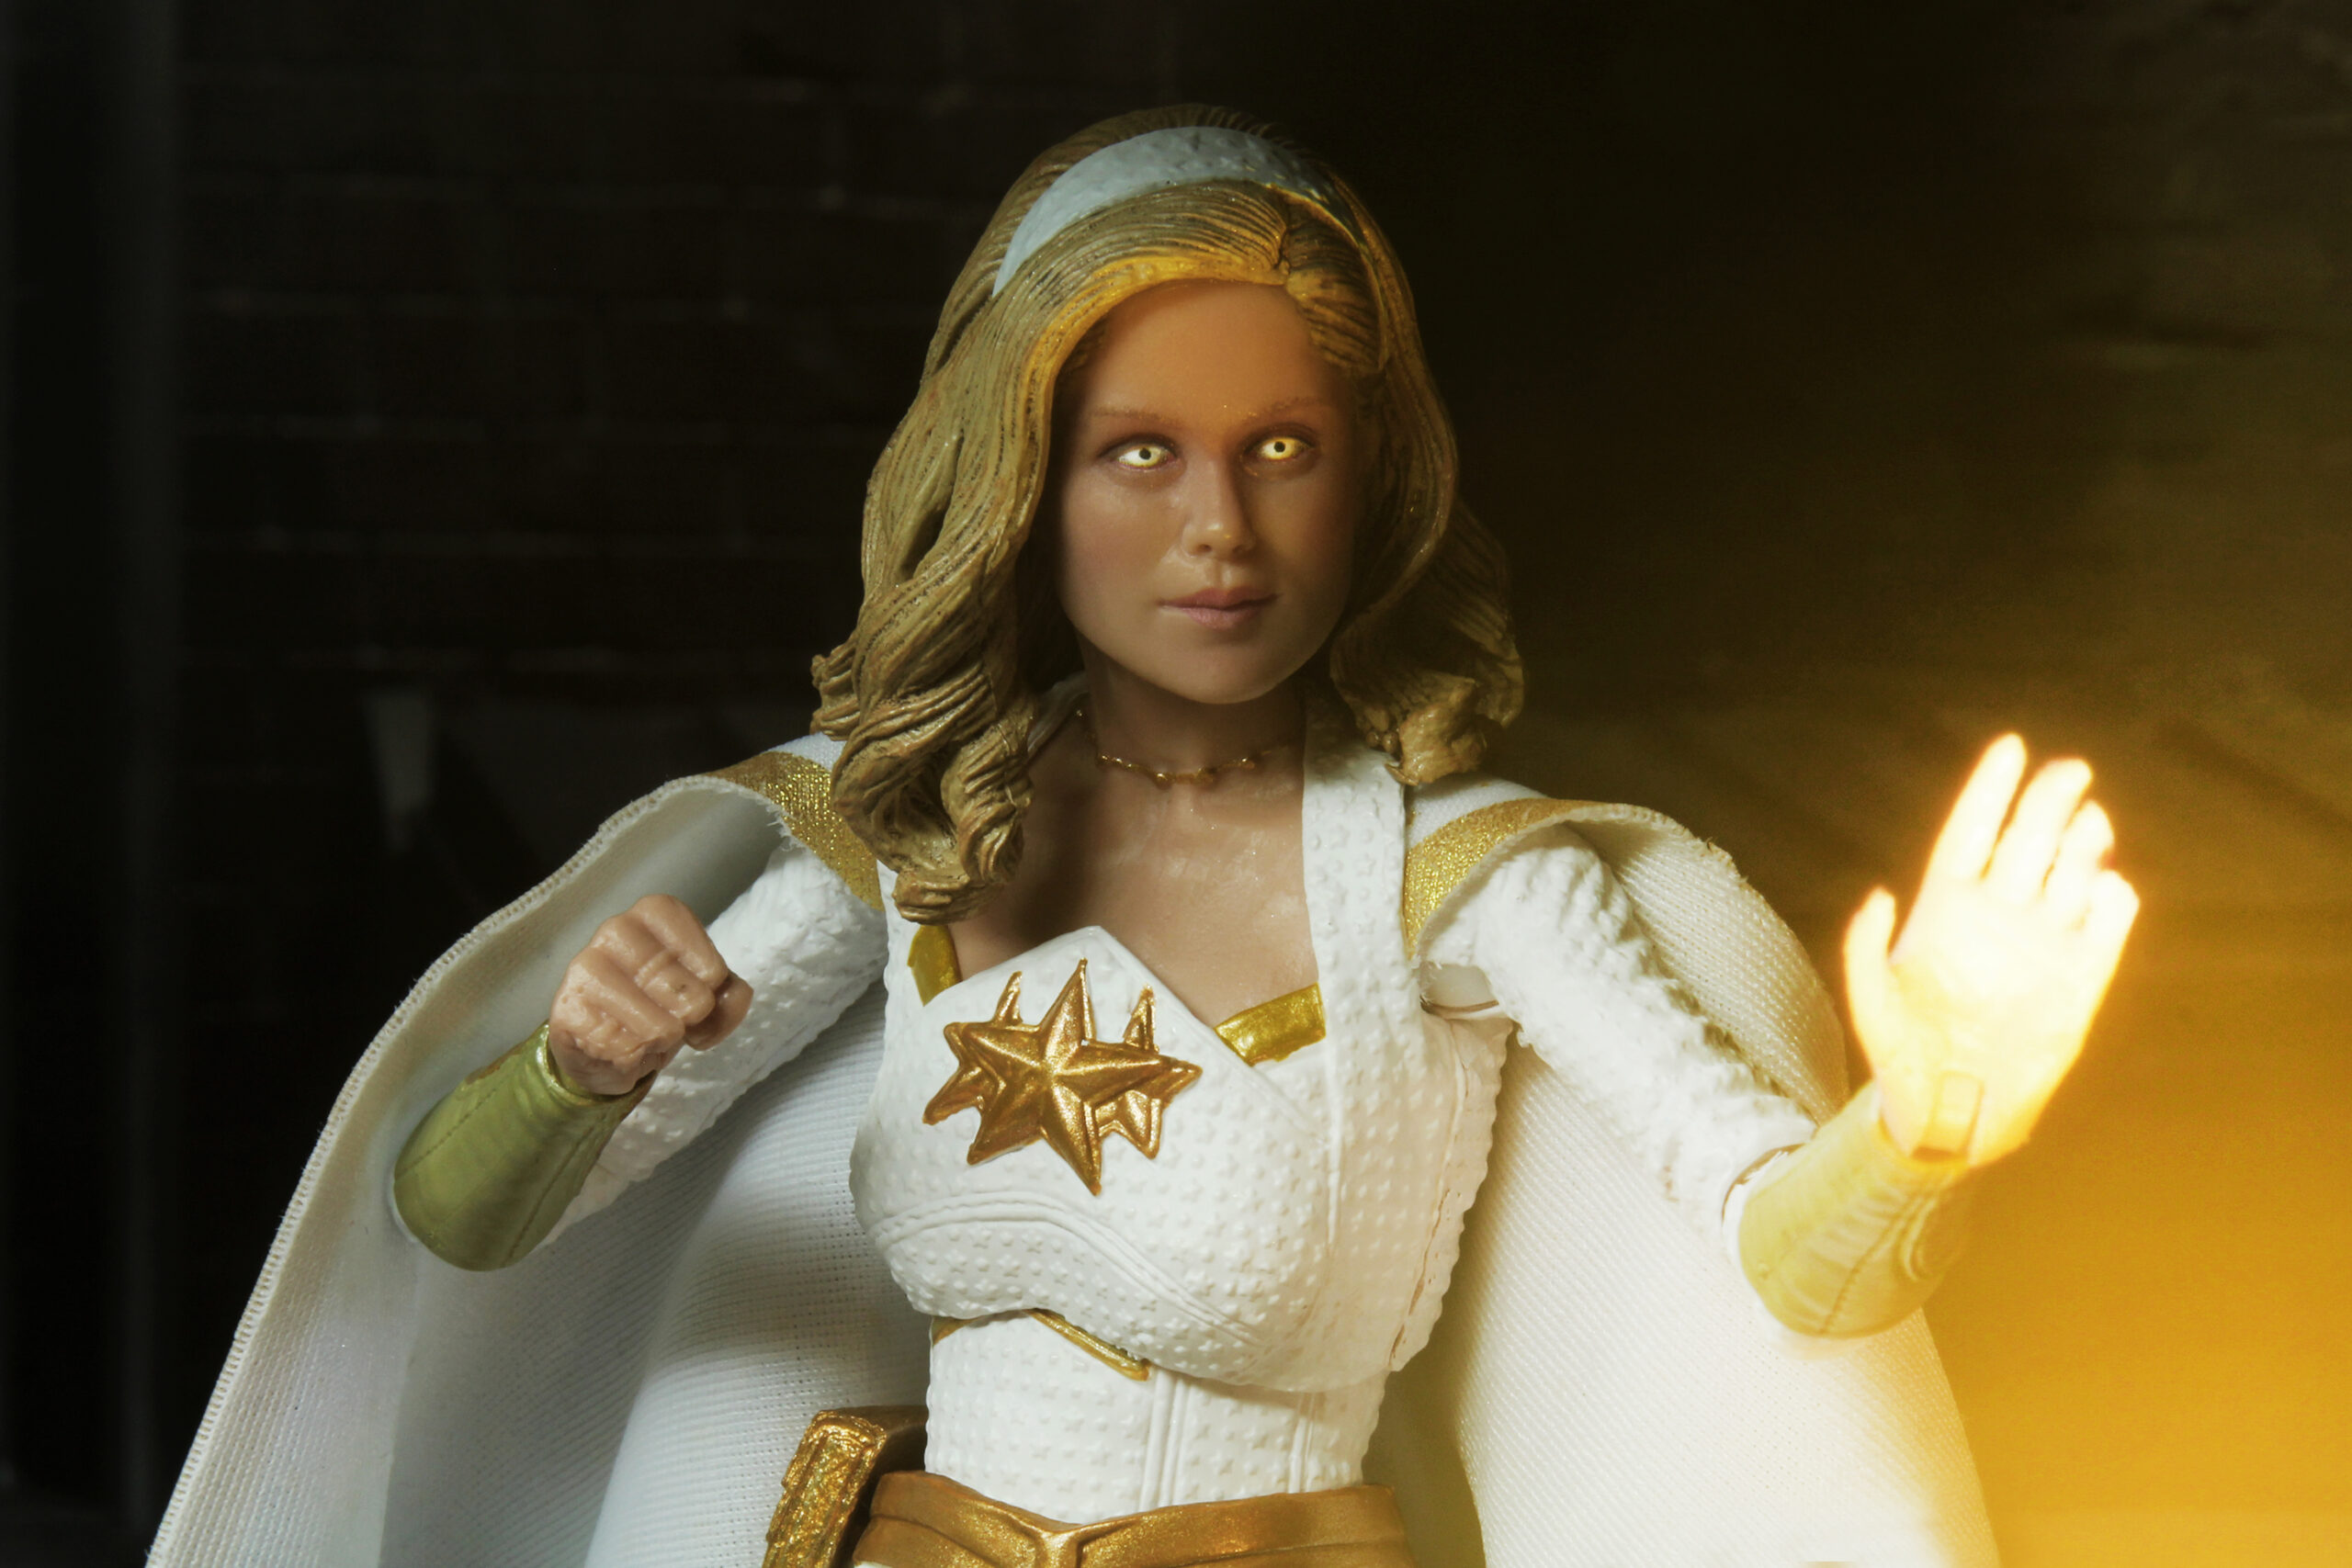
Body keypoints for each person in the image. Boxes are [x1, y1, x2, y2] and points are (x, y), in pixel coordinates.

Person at [153, 107, 2136, 1568]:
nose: (1218, 530)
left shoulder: (1458, 881)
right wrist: (579, 1067)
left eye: (1281, 448)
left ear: (1371, 478)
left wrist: (1928, 1122)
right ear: (1024, 483)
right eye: (1138, 453)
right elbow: (462, 1218)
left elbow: (1788, 1259)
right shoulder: (914, 840)